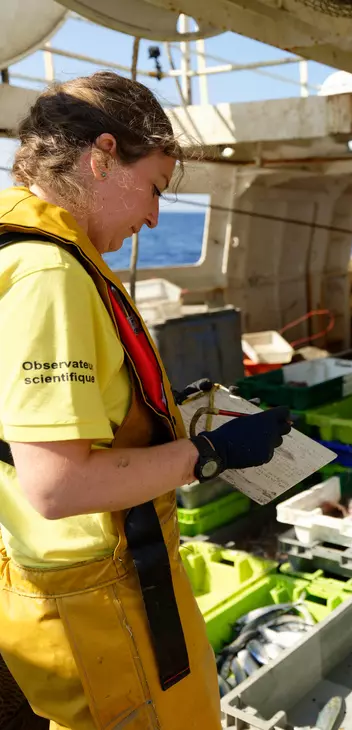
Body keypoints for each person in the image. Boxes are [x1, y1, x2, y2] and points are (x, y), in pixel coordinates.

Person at [0, 71, 291, 730]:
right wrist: (207, 454)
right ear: (101, 156)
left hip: (63, 581)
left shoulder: (20, 252)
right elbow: (57, 484)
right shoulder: (51, 275)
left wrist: (162, 415)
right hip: (97, 596)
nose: (156, 215)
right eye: (155, 188)